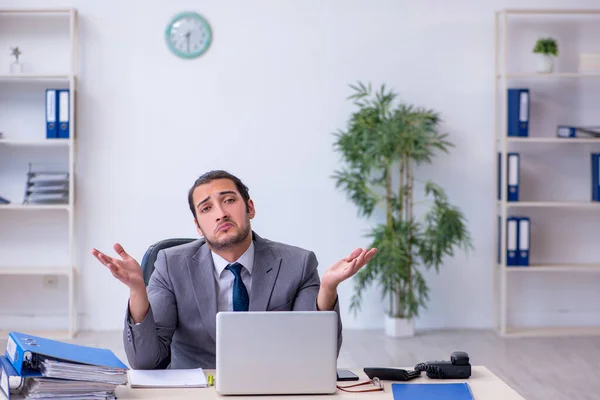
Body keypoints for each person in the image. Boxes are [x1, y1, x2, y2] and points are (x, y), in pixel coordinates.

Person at [92, 170, 377, 369]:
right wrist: (137, 291)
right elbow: (145, 361)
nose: (220, 213)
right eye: (206, 208)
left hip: (273, 388)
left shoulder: (297, 264)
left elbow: (318, 356)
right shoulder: (170, 264)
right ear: (198, 226)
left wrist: (327, 289)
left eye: (229, 200)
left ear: (249, 207)